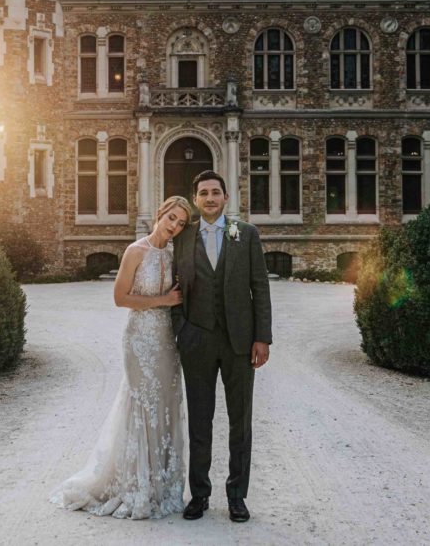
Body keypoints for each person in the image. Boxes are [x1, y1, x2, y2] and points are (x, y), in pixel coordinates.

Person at [49, 196, 193, 519]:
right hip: (140, 339)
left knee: (166, 404)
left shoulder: (174, 255)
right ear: (160, 214)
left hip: (167, 342)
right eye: (171, 218)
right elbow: (120, 298)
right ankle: (137, 483)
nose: (174, 226)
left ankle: (163, 485)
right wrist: (163, 300)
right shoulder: (135, 251)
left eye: (181, 223)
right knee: (141, 403)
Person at [170, 170, 272, 523]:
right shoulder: (182, 237)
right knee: (200, 421)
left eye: (216, 192)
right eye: (203, 193)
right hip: (196, 340)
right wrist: (181, 330)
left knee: (240, 421)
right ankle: (199, 494)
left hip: (240, 341)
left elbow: (260, 287)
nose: (210, 198)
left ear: (226, 198)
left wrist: (263, 337)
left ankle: (237, 496)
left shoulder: (246, 234)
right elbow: (173, 288)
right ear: (195, 200)